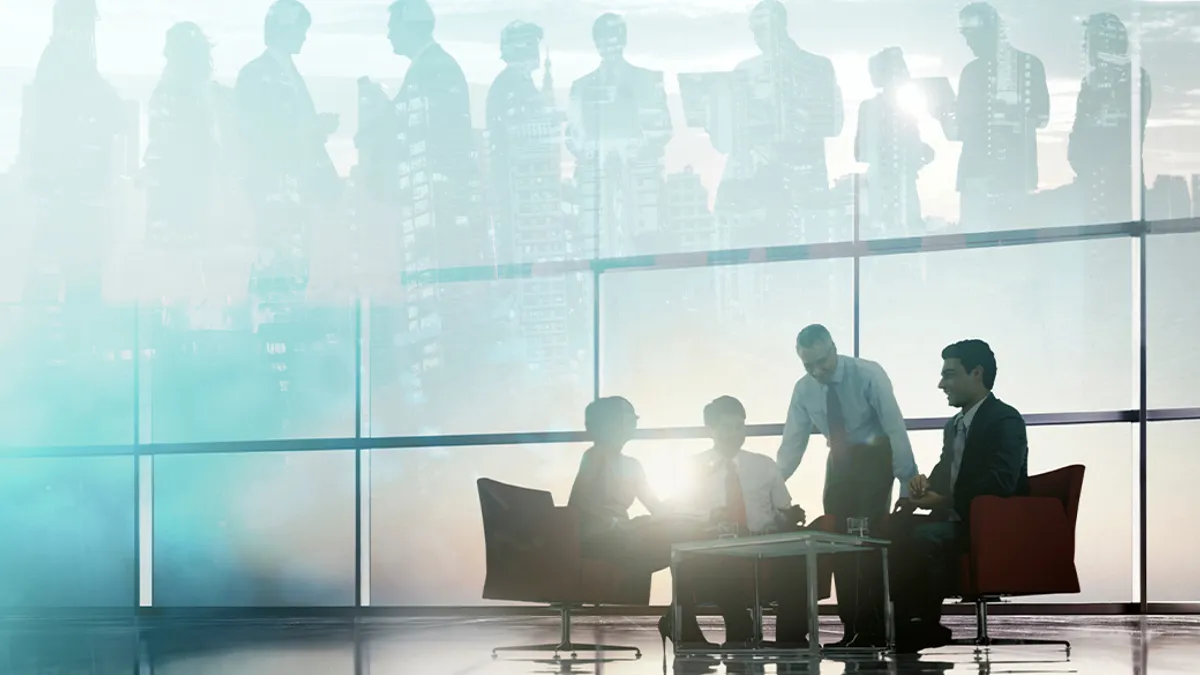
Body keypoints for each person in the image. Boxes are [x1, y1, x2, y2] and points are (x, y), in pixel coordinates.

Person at [777, 324, 918, 648]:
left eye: (822, 362)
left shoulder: (867, 374)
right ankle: (852, 628)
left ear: (834, 348)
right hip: (838, 461)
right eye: (808, 365)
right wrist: (769, 486)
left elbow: (895, 428)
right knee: (838, 542)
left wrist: (907, 484)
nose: (817, 370)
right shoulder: (803, 390)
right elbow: (792, 445)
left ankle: (873, 628)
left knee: (866, 539)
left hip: (874, 456)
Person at [892, 339, 1029, 652]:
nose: (941, 384)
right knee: (890, 530)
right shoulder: (954, 426)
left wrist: (942, 500)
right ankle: (894, 626)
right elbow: (945, 473)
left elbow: (1001, 482)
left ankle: (924, 625)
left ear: (976, 373)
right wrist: (924, 488)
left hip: (990, 525)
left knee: (925, 537)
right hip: (954, 518)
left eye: (949, 374)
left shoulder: (1005, 419)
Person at [668, 396, 811, 649]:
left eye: (739, 426)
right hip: (715, 547)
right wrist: (709, 521)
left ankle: (792, 640)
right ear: (711, 430)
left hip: (763, 546)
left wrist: (787, 517)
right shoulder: (692, 468)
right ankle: (739, 628)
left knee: (796, 557)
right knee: (723, 556)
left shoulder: (764, 465)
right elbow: (680, 514)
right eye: (726, 427)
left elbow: (783, 511)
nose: (735, 434)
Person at [715, 0, 843, 246]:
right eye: (753, 31)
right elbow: (730, 139)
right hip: (759, 193)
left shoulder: (818, 67)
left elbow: (834, 123)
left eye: (761, 30)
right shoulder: (744, 71)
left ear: (780, 26)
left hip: (804, 189)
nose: (756, 37)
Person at [566, 13, 672, 256]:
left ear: (623, 40)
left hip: (643, 192)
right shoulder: (581, 87)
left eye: (614, 38)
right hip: (596, 197)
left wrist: (632, 149)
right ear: (596, 44)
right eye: (603, 39)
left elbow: (664, 128)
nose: (609, 45)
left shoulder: (647, 81)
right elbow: (572, 137)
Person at [938, 2, 1048, 229]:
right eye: (965, 35)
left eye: (972, 34)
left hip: (1008, 176)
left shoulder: (1027, 65)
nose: (968, 42)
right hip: (989, 175)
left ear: (991, 31)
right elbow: (959, 131)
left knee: (1004, 242)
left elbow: (1041, 117)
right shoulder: (973, 72)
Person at [1067, 13, 1151, 225]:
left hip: (1118, 184)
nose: (1085, 49)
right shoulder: (1090, 82)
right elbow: (1080, 128)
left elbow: (1120, 129)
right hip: (1091, 181)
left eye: (1088, 41)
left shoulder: (1134, 78)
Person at [854, 47, 934, 238]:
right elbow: (860, 153)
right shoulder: (905, 109)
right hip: (896, 188)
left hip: (890, 188)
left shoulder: (871, 108)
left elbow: (859, 153)